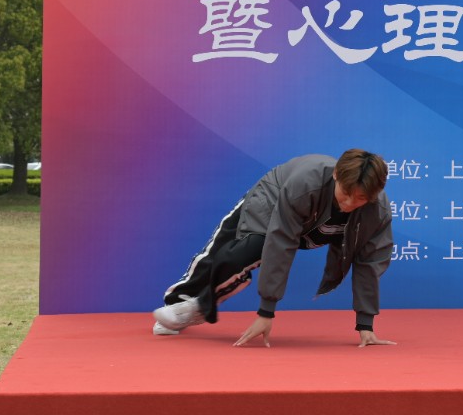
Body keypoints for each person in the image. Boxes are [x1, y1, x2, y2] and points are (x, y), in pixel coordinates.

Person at [150, 149, 396, 348]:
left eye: (361, 198)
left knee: (243, 255)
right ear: (336, 176)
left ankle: (198, 308)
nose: (350, 203)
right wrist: (266, 312)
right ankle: (178, 304)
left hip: (312, 228)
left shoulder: (378, 212)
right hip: (272, 198)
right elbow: (281, 241)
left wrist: (365, 325)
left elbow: (368, 262)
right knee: (230, 252)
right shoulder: (306, 182)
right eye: (346, 193)